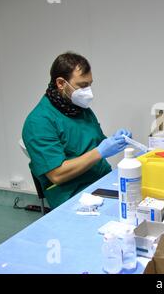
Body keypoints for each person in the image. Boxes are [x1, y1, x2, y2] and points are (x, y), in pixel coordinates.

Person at [22, 52, 132, 209]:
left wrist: (114, 140)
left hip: (101, 180)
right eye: (82, 85)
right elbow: (57, 174)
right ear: (61, 83)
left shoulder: (79, 109)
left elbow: (94, 142)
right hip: (73, 194)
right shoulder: (39, 122)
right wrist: (100, 151)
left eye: (90, 84)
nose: (89, 92)